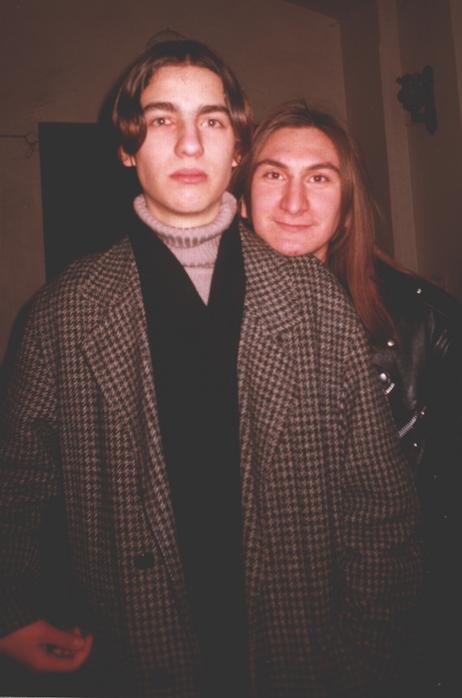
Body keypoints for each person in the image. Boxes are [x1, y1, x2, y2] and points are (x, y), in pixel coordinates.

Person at [0, 40, 420, 697]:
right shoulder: (62, 313)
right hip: (135, 663)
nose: (190, 143)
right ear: (127, 147)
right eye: (162, 119)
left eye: (213, 121)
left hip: (304, 663)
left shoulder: (315, 301)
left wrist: (362, 659)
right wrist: (12, 610)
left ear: (237, 149)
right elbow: (17, 485)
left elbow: (380, 508)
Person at [236, 98, 462, 697]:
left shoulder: (429, 324)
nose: (294, 203)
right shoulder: (201, 326)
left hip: (398, 632)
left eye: (319, 179)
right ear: (242, 198)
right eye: (273, 175)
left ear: (345, 210)